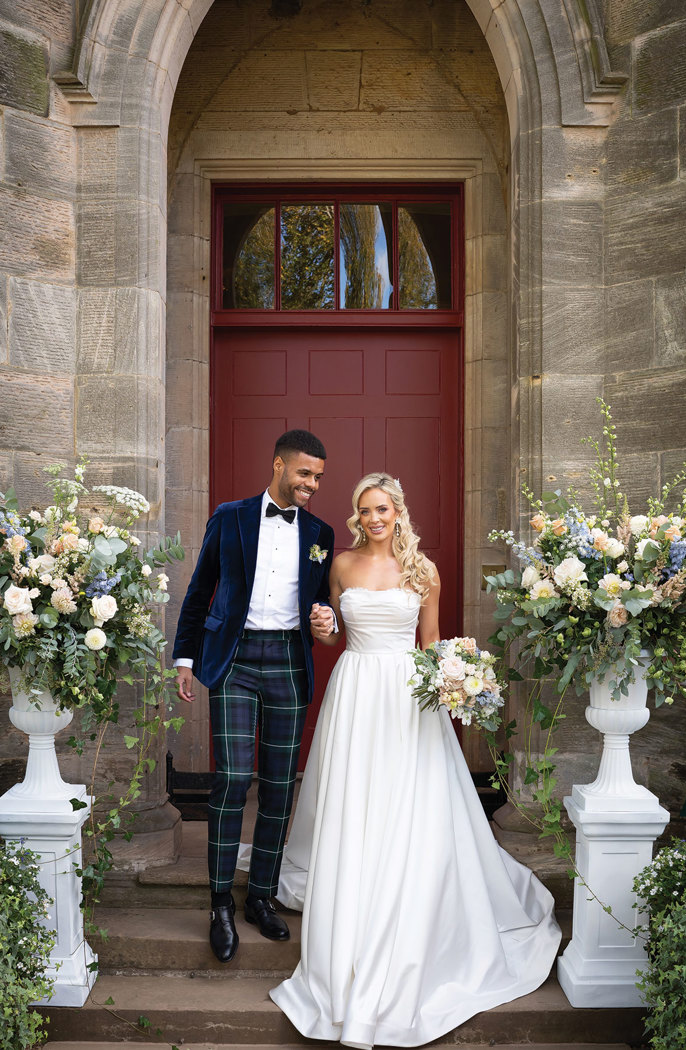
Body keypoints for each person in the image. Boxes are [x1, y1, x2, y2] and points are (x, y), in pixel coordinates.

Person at [268, 472, 561, 1049]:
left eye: (382, 508)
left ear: (398, 510)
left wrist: (453, 684)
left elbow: (428, 643)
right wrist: (323, 626)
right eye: (364, 510)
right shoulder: (343, 565)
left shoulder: (424, 572)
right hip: (355, 690)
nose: (374, 518)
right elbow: (330, 633)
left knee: (409, 798)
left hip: (407, 696)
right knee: (355, 796)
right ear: (357, 516)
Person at [172, 429, 335, 963]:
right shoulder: (231, 516)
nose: (312, 484)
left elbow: (320, 603)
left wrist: (323, 617)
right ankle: (220, 902)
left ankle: (260, 897)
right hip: (235, 659)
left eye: (318, 476)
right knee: (234, 778)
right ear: (278, 465)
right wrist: (186, 658)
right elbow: (200, 588)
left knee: (280, 785)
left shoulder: (320, 532)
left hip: (289, 660)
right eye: (305, 473)